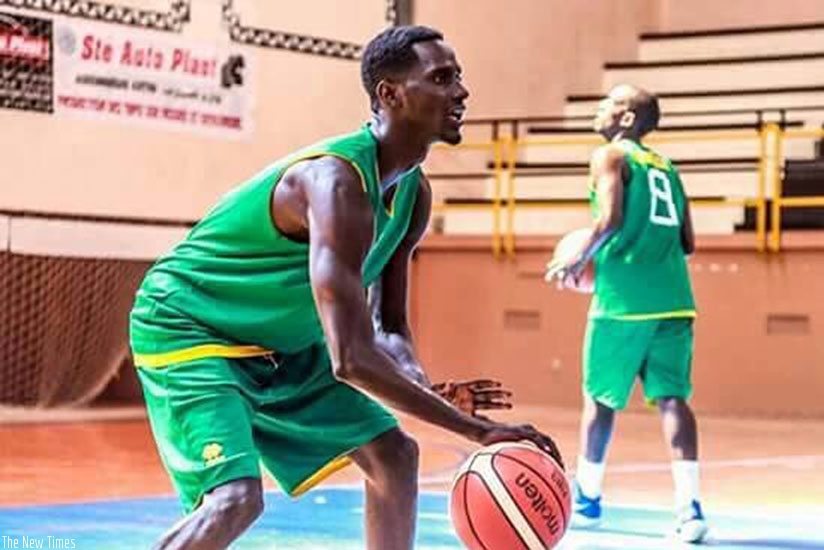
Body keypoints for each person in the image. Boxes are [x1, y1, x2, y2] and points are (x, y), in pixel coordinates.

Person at [130, 25, 563, 550]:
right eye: (442, 78)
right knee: (236, 499)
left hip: (281, 344)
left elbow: (389, 326)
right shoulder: (336, 184)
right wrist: (476, 431)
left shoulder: (412, 196)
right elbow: (352, 357)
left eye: (459, 77)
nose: (461, 91)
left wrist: (423, 388)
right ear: (390, 94)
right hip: (192, 326)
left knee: (395, 456)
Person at [546, 84, 708, 543]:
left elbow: (612, 218)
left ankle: (589, 500)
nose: (599, 107)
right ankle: (689, 508)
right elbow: (688, 243)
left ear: (628, 119)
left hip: (622, 302)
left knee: (599, 401)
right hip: (675, 299)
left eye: (610, 103)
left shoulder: (610, 157)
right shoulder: (668, 167)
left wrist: (578, 259)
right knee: (674, 400)